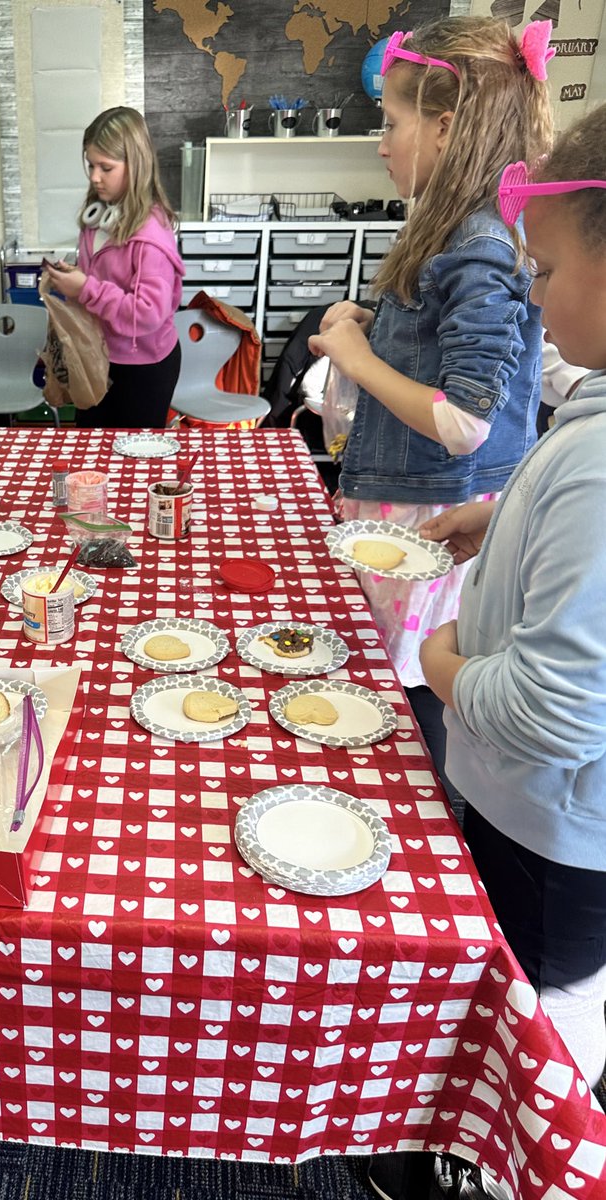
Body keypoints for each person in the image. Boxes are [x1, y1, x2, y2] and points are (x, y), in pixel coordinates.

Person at [418, 103, 606, 1187]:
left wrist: (443, 670)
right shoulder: (585, 432)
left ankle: (516, 1165)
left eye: (549, 270)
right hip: (549, 829)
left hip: (550, 838)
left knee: (538, 1023)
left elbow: (556, 705)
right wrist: (510, 518)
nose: (534, 295)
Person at [307, 16, 553, 799]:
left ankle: (405, 820)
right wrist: (374, 328)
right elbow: (442, 352)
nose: (382, 143)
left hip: (434, 513)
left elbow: (463, 421)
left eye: (393, 123)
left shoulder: (478, 243)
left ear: (445, 128)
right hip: (406, 499)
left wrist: (357, 359)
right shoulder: (452, 231)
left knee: (403, 703)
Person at [42, 106, 184, 429]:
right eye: (91, 165)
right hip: (98, 356)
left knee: (132, 464)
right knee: (91, 454)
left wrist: (85, 289)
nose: (94, 177)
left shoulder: (151, 234)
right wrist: (73, 276)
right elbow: (103, 276)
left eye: (106, 167)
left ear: (136, 166)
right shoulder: (96, 219)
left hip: (142, 367)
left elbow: (147, 313)